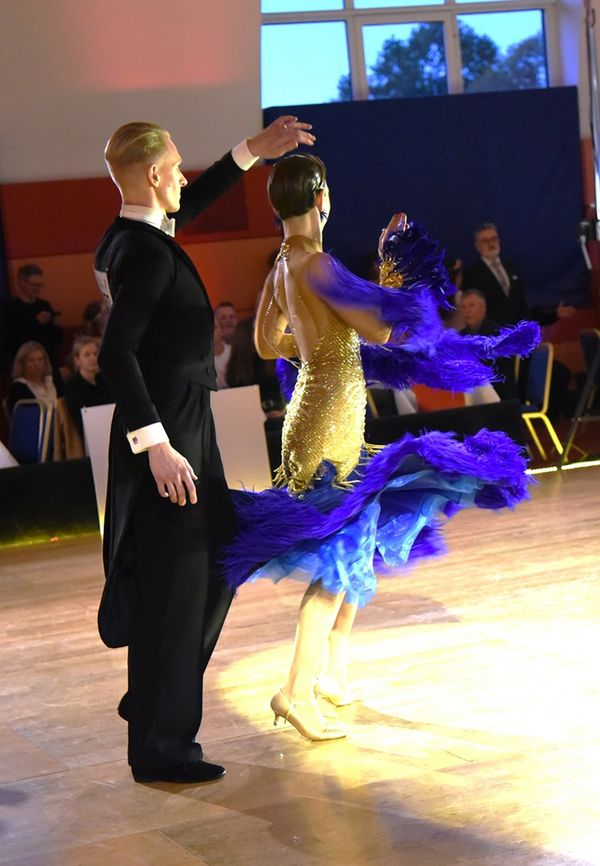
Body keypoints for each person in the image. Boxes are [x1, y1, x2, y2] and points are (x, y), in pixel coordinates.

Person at [223, 156, 539, 743]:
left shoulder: (282, 268)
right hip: (328, 421)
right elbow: (382, 330)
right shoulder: (316, 264)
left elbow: (268, 342)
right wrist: (394, 274)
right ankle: (294, 689)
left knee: (356, 542)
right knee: (340, 555)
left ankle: (332, 674)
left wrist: (322, 345)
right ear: (318, 196)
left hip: (314, 413)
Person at [94, 115, 314, 785]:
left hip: (186, 424)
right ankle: (163, 745)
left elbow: (189, 206)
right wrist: (155, 445)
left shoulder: (130, 240)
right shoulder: (149, 254)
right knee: (180, 584)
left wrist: (251, 152)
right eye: (179, 168)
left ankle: (158, 691)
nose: (186, 177)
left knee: (218, 559)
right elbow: (115, 353)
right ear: (157, 175)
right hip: (172, 432)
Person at [462, 223, 528, 326]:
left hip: (518, 332)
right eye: (485, 241)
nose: (491, 244)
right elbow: (475, 311)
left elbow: (522, 303)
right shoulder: (471, 274)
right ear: (477, 246)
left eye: (494, 239)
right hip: (493, 335)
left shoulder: (512, 268)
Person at [459, 289, 518, 402]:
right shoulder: (460, 336)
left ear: (483, 308)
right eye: (463, 307)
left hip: (497, 393)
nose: (467, 311)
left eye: (471, 306)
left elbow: (500, 373)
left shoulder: (498, 334)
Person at [6, 265, 63, 363]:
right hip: (26, 362)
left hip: (48, 359)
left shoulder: (44, 305)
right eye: (33, 285)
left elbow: (58, 340)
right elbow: (11, 342)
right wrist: (36, 322)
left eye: (40, 285)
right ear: (21, 282)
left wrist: (56, 325)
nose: (37, 289)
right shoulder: (11, 308)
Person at [63, 336, 112, 438]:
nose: (93, 358)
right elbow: (81, 418)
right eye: (87, 355)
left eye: (95, 354)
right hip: (91, 433)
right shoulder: (73, 385)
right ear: (77, 360)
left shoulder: (104, 379)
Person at [7, 341, 57, 416]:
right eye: (31, 360)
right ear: (22, 364)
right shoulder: (18, 388)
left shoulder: (51, 380)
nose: (37, 364)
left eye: (40, 359)